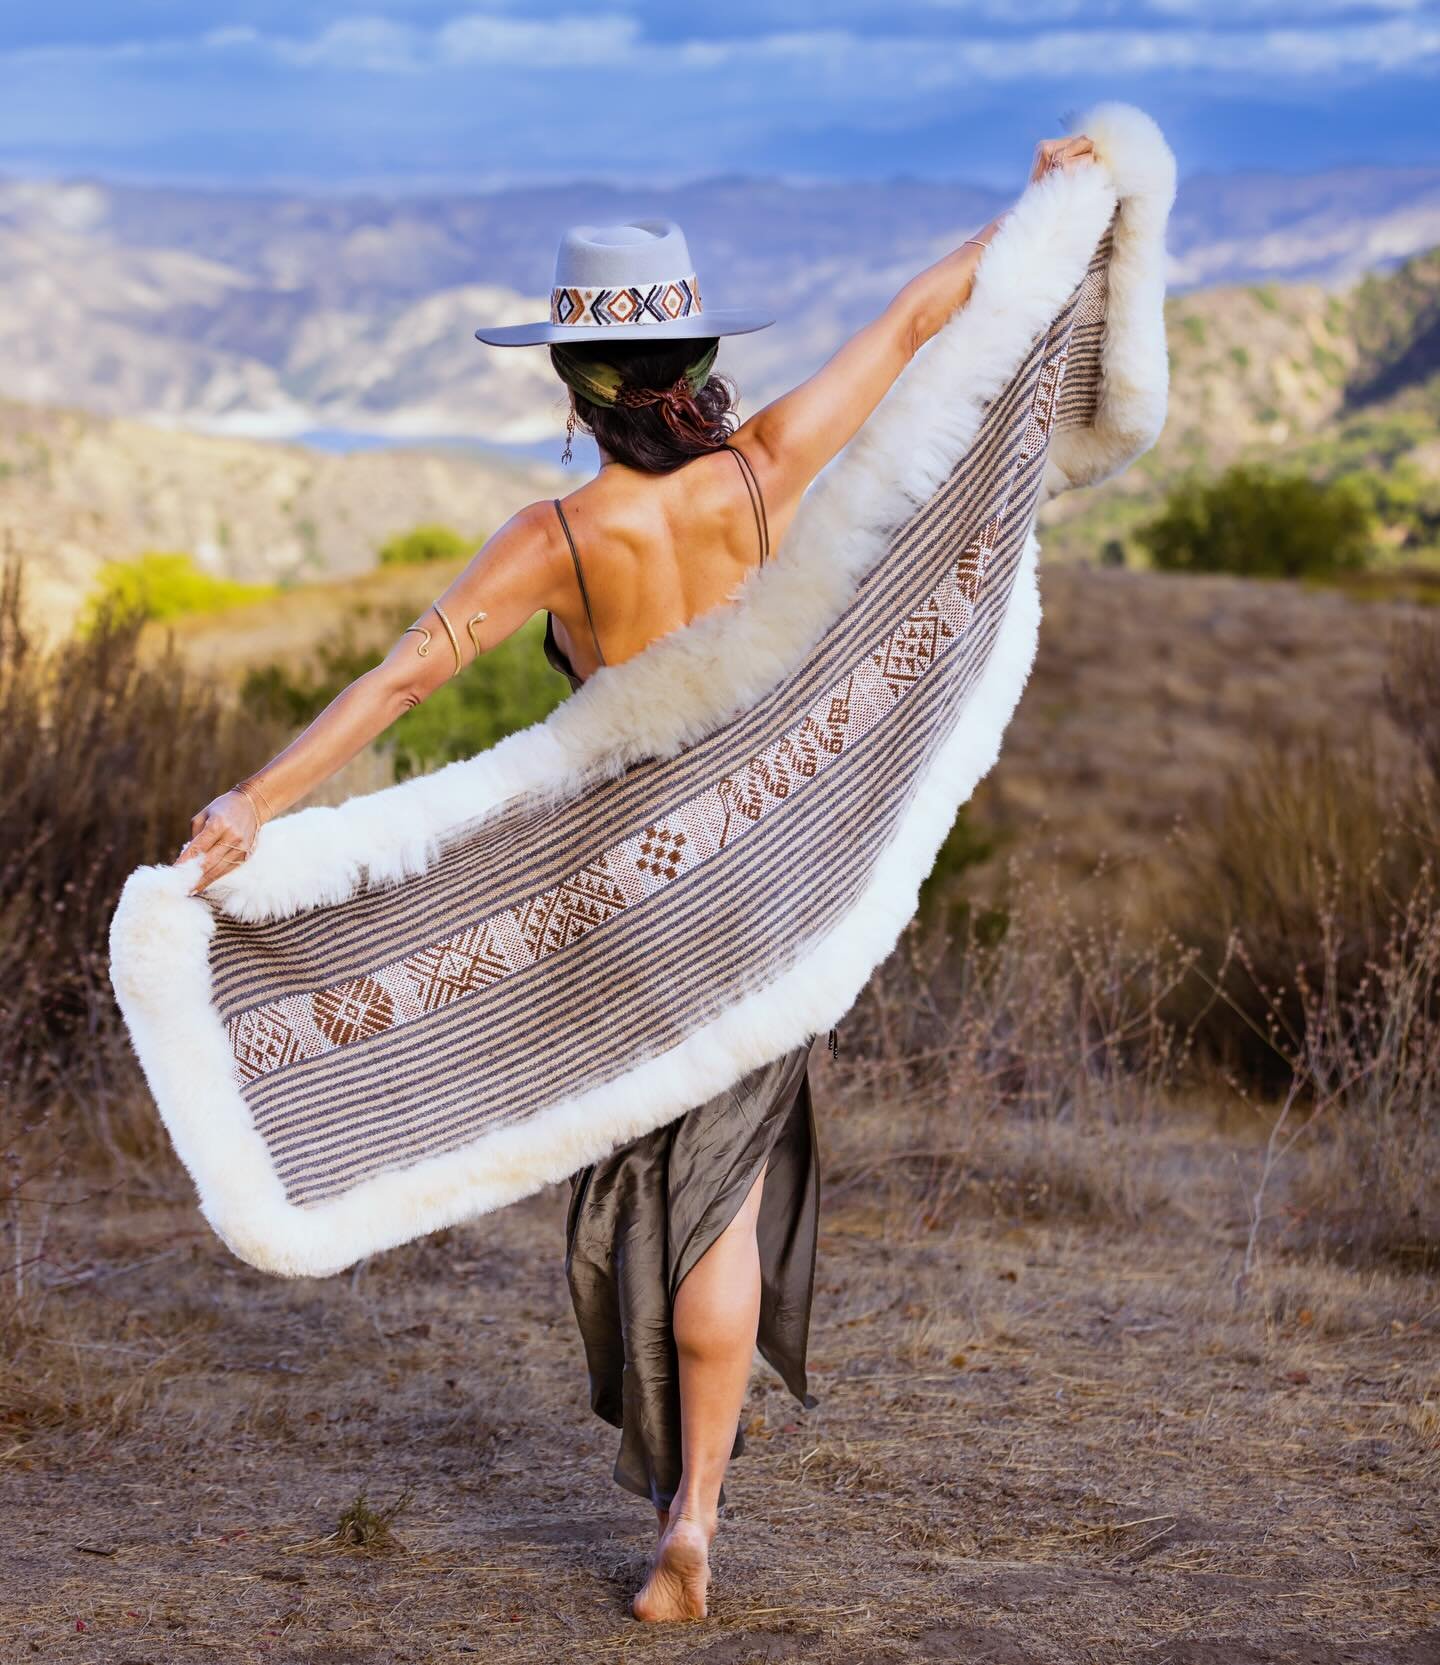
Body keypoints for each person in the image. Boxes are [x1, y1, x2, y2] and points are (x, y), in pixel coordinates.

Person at [178, 132, 1096, 1623]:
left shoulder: (553, 538)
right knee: (726, 1200)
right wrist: (1052, 200)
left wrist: (252, 802)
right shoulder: (766, 465)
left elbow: (401, 680)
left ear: (575, 384)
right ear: (696, 356)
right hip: (760, 887)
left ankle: (674, 1487)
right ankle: (697, 1517)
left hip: (627, 899)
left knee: (658, 1180)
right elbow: (931, 316)